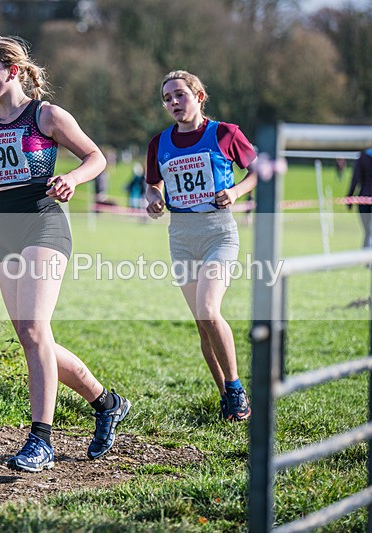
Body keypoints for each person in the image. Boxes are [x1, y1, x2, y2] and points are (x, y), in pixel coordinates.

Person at [0, 35, 131, 472]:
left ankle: (41, 441)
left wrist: (72, 179)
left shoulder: (46, 115)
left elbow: (95, 157)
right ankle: (107, 403)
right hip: (6, 229)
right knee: (33, 338)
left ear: (12, 71)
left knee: (34, 329)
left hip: (43, 223)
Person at [145, 70, 257, 422]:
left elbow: (258, 171)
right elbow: (152, 184)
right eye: (167, 99)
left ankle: (236, 389)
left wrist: (235, 192)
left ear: (199, 96)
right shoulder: (159, 143)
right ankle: (226, 399)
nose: (173, 103)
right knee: (202, 323)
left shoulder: (225, 133)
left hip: (218, 233)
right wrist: (153, 198)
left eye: (180, 95)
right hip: (181, 237)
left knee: (209, 310)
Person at [347, 148, 372, 248]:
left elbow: (355, 179)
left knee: (368, 231)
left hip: (363, 199)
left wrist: (349, 197)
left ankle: (368, 252)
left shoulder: (362, 157)